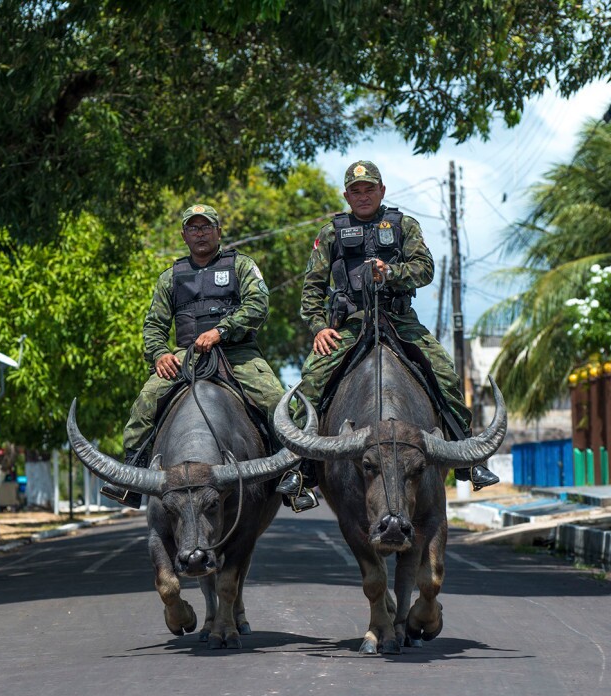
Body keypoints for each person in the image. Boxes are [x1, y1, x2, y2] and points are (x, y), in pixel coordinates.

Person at [276, 160, 499, 503]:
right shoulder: (330, 233)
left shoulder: (403, 225)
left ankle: (469, 459)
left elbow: (425, 269)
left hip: (399, 320)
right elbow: (312, 290)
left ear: (382, 191)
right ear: (346, 195)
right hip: (350, 324)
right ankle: (300, 469)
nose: (363, 196)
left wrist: (390, 272)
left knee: (445, 374)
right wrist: (320, 328)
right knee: (311, 382)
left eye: (369, 189)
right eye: (356, 191)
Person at [102, 203, 289, 509]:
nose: (200, 233)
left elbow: (258, 305)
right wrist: (160, 354)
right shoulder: (170, 277)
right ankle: (131, 476)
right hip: (185, 355)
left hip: (237, 352)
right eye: (193, 228)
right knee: (145, 403)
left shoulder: (241, 266)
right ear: (184, 234)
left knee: (274, 399)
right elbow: (153, 325)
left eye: (206, 227)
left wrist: (222, 331)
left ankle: (293, 475)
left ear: (218, 231)